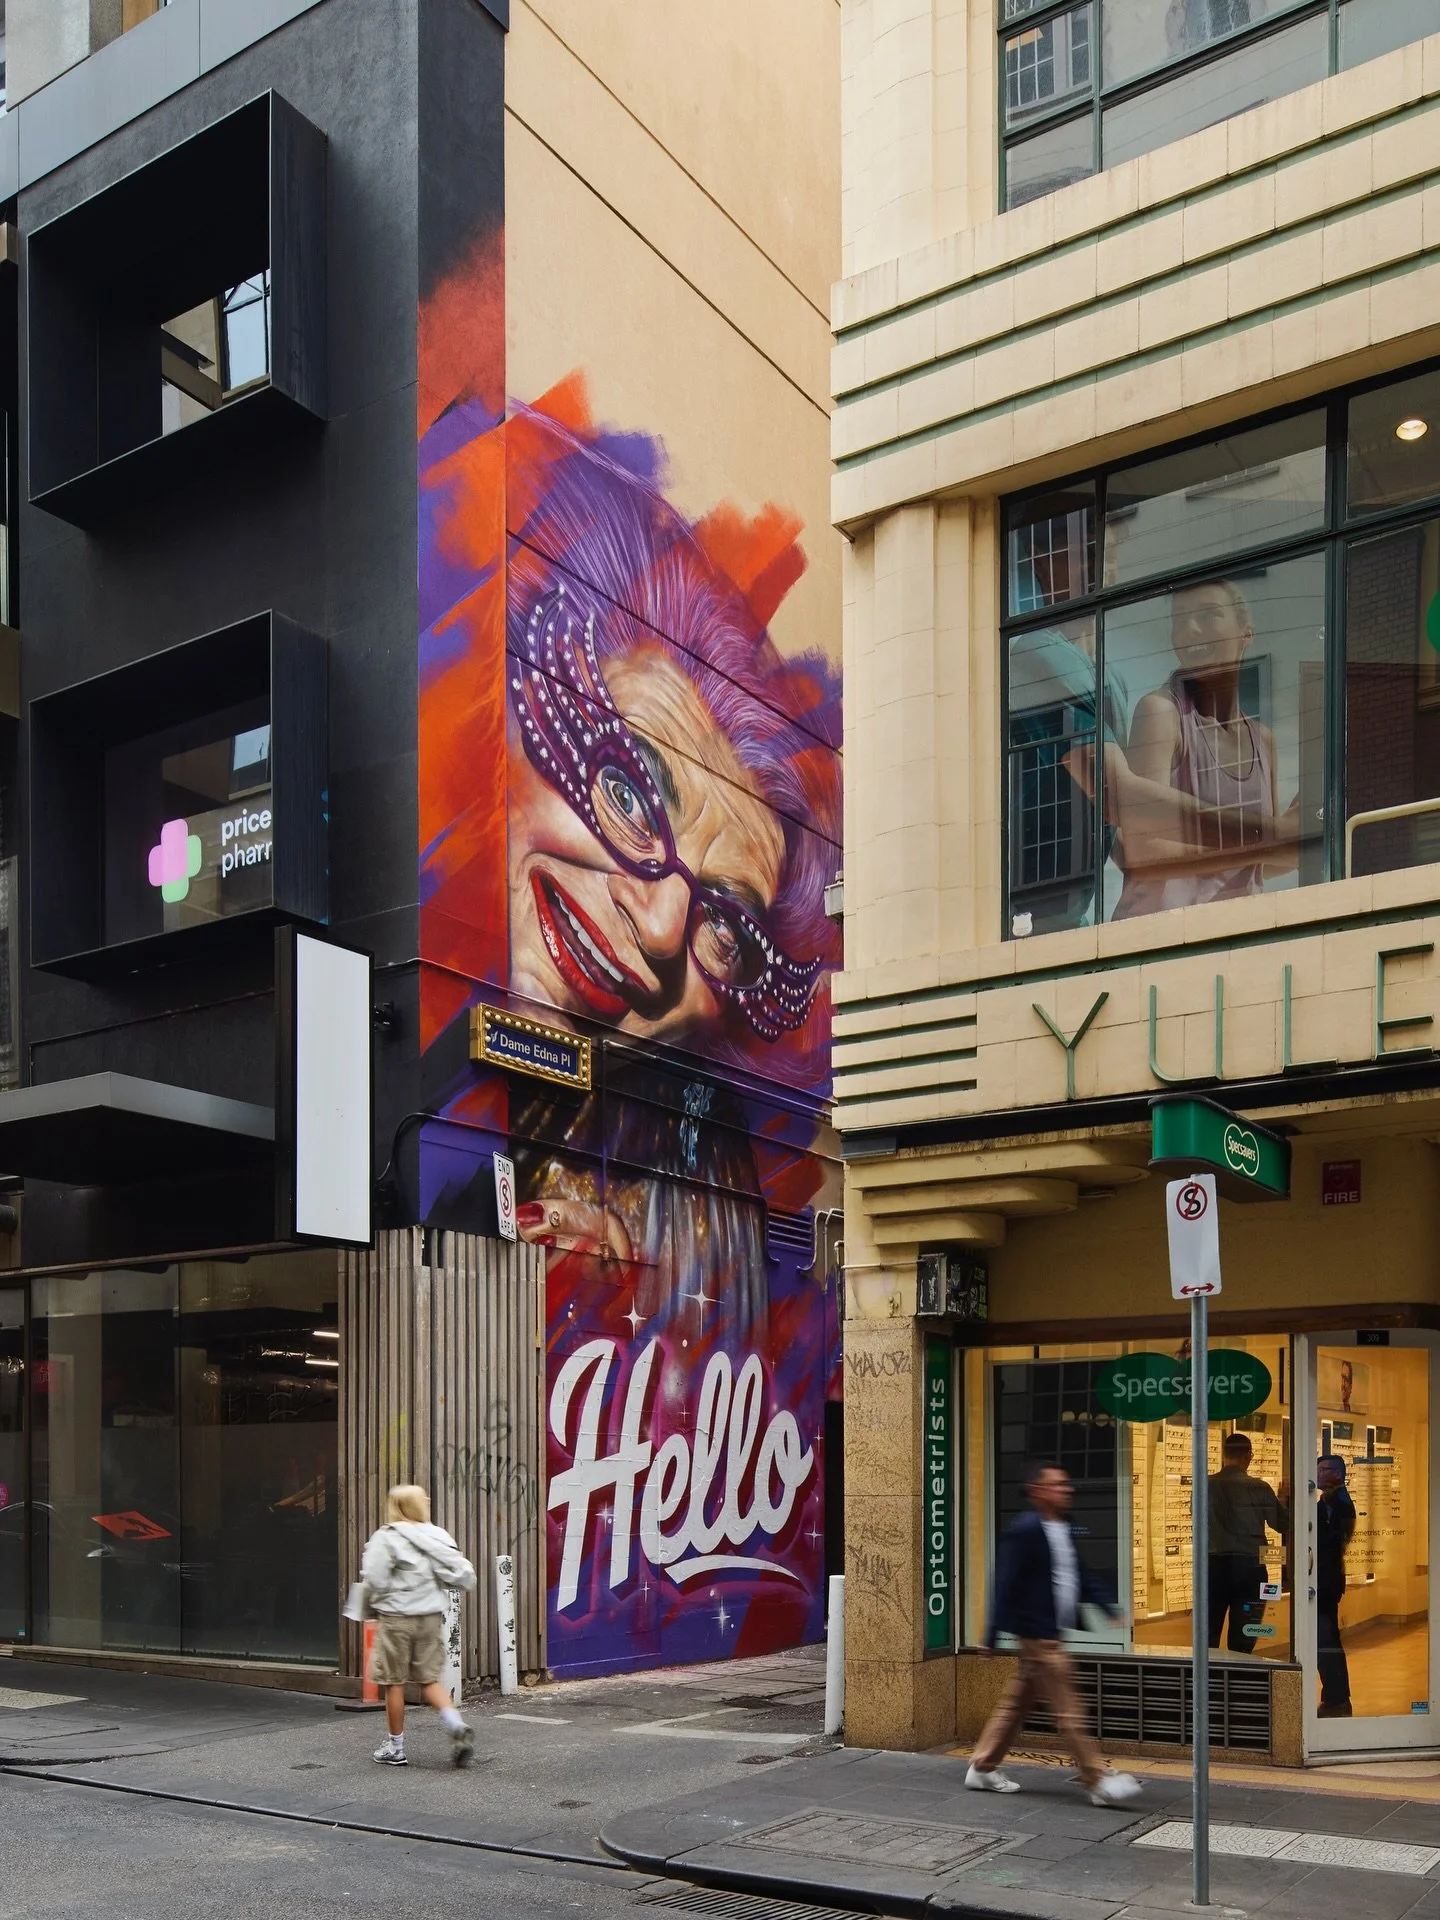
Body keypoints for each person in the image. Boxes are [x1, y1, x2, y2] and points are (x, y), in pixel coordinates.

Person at [1104, 579, 1303, 919]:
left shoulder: (1264, 741)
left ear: (1245, 635)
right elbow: (1140, 848)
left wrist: (1301, 839)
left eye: (1208, 616)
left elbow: (1261, 864)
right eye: (1180, 620)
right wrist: (1267, 839)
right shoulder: (1160, 713)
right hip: (1165, 937)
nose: (1191, 629)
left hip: (1239, 934)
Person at [966, 1463, 1142, 1806]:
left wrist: (1109, 1607)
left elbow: (1079, 1574)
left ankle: (982, 1766)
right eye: (1058, 1485)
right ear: (1038, 1491)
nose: (1067, 1490)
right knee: (1069, 1709)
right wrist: (990, 1634)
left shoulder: (1063, 1526)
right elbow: (1005, 1583)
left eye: (1066, 1484)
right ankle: (1097, 1780)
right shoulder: (1026, 1530)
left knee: (1017, 1704)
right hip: (1037, 1634)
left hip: (1051, 1632)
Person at [361, 1485, 477, 1768]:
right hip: (429, 1616)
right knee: (429, 1679)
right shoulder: (436, 1534)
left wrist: (372, 1603)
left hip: (396, 1618)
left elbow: (374, 1578)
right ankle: (456, 1726)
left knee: (394, 1681)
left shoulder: (386, 1537)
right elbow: (456, 1571)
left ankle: (395, 1748)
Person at [1208, 1432, 1288, 1653]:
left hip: (1212, 1567)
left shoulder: (1205, 1485)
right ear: (1248, 1456)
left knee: (1208, 1633)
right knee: (1245, 1634)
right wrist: (1284, 1501)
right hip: (1249, 1568)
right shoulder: (1259, 1488)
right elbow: (1283, 1525)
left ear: (1223, 1454)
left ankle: (1208, 1683)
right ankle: (1239, 1678)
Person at [1316, 1453, 1357, 1718]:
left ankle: (1336, 1695)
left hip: (1326, 1581)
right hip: (1326, 1579)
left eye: (1323, 1470)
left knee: (1326, 1638)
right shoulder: (1329, 1500)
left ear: (1338, 1474)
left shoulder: (1339, 1502)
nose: (1317, 1474)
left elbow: (1331, 1541)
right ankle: (1335, 1694)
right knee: (1325, 1638)